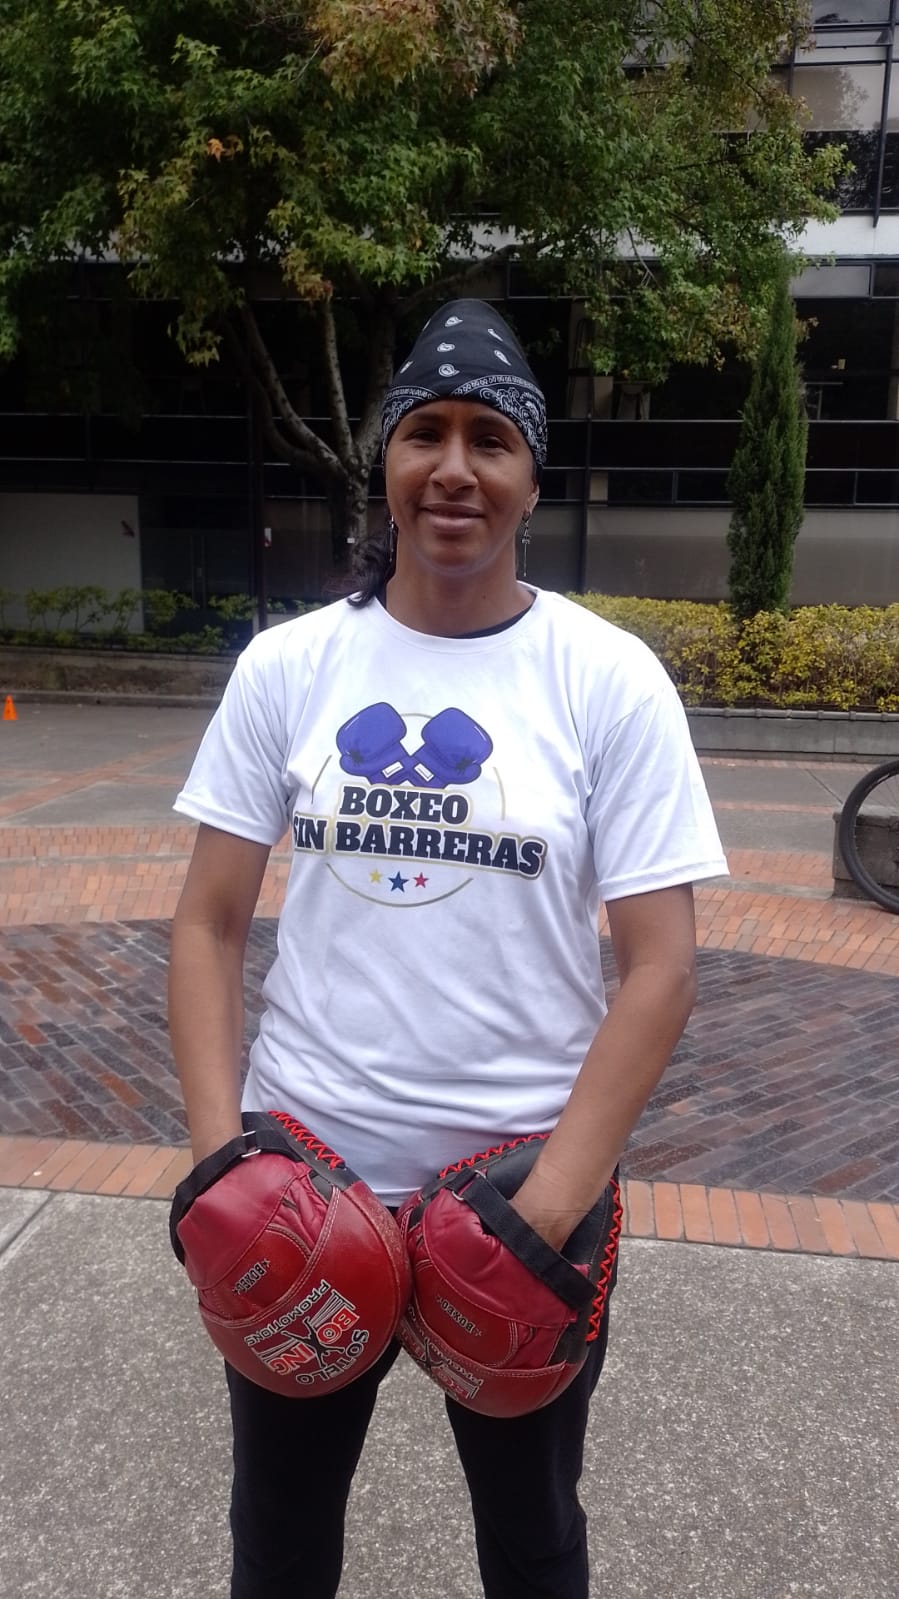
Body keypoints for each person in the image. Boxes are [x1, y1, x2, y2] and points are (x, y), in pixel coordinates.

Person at [168, 297, 727, 1599]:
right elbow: (207, 920)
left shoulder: (607, 679)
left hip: (522, 1191)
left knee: (533, 1540)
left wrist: (547, 1208)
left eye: (491, 438)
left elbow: (661, 965)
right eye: (426, 434)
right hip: (308, 1185)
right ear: (389, 460)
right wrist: (220, 1169)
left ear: (533, 473)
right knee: (279, 1538)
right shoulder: (291, 667)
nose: (454, 468)